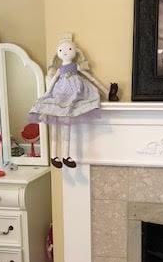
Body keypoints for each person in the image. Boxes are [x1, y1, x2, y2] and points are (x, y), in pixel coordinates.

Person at [29, 39, 107, 168]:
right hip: (59, 95)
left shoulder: (76, 66)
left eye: (69, 49)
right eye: (61, 50)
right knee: (55, 124)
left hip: (74, 95)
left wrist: (103, 89)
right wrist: (46, 93)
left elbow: (90, 77)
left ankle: (65, 155)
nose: (65, 52)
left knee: (66, 124)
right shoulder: (60, 69)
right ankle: (54, 156)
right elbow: (53, 81)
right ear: (58, 53)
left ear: (75, 51)